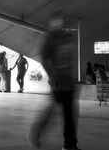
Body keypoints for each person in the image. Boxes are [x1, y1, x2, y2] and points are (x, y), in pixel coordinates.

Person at [28, 11, 81, 150]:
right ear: (54, 22)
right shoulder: (50, 37)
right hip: (57, 81)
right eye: (60, 20)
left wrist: (73, 78)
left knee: (69, 115)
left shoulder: (68, 37)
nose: (63, 23)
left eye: (64, 20)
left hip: (68, 82)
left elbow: (71, 60)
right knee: (52, 111)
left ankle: (70, 145)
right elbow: (44, 58)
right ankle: (37, 131)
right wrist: (52, 76)